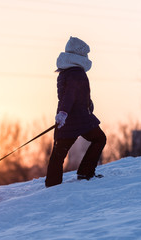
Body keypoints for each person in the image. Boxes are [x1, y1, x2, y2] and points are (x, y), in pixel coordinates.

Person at [45, 36, 107, 187]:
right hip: (79, 118)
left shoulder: (65, 72)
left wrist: (86, 105)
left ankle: (52, 184)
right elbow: (70, 94)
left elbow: (74, 94)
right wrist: (65, 112)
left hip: (68, 119)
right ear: (79, 56)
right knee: (99, 139)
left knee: (59, 152)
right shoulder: (76, 73)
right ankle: (85, 172)